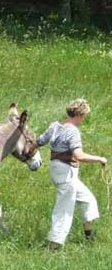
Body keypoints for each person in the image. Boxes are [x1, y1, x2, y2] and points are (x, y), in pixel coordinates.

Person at [37, 98, 107, 249]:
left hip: (58, 169)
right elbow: (79, 156)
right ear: (80, 115)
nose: (84, 119)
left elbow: (39, 141)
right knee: (64, 209)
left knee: (88, 200)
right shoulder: (73, 131)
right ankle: (54, 245)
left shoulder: (55, 126)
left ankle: (89, 237)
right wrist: (100, 158)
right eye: (84, 116)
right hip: (66, 173)